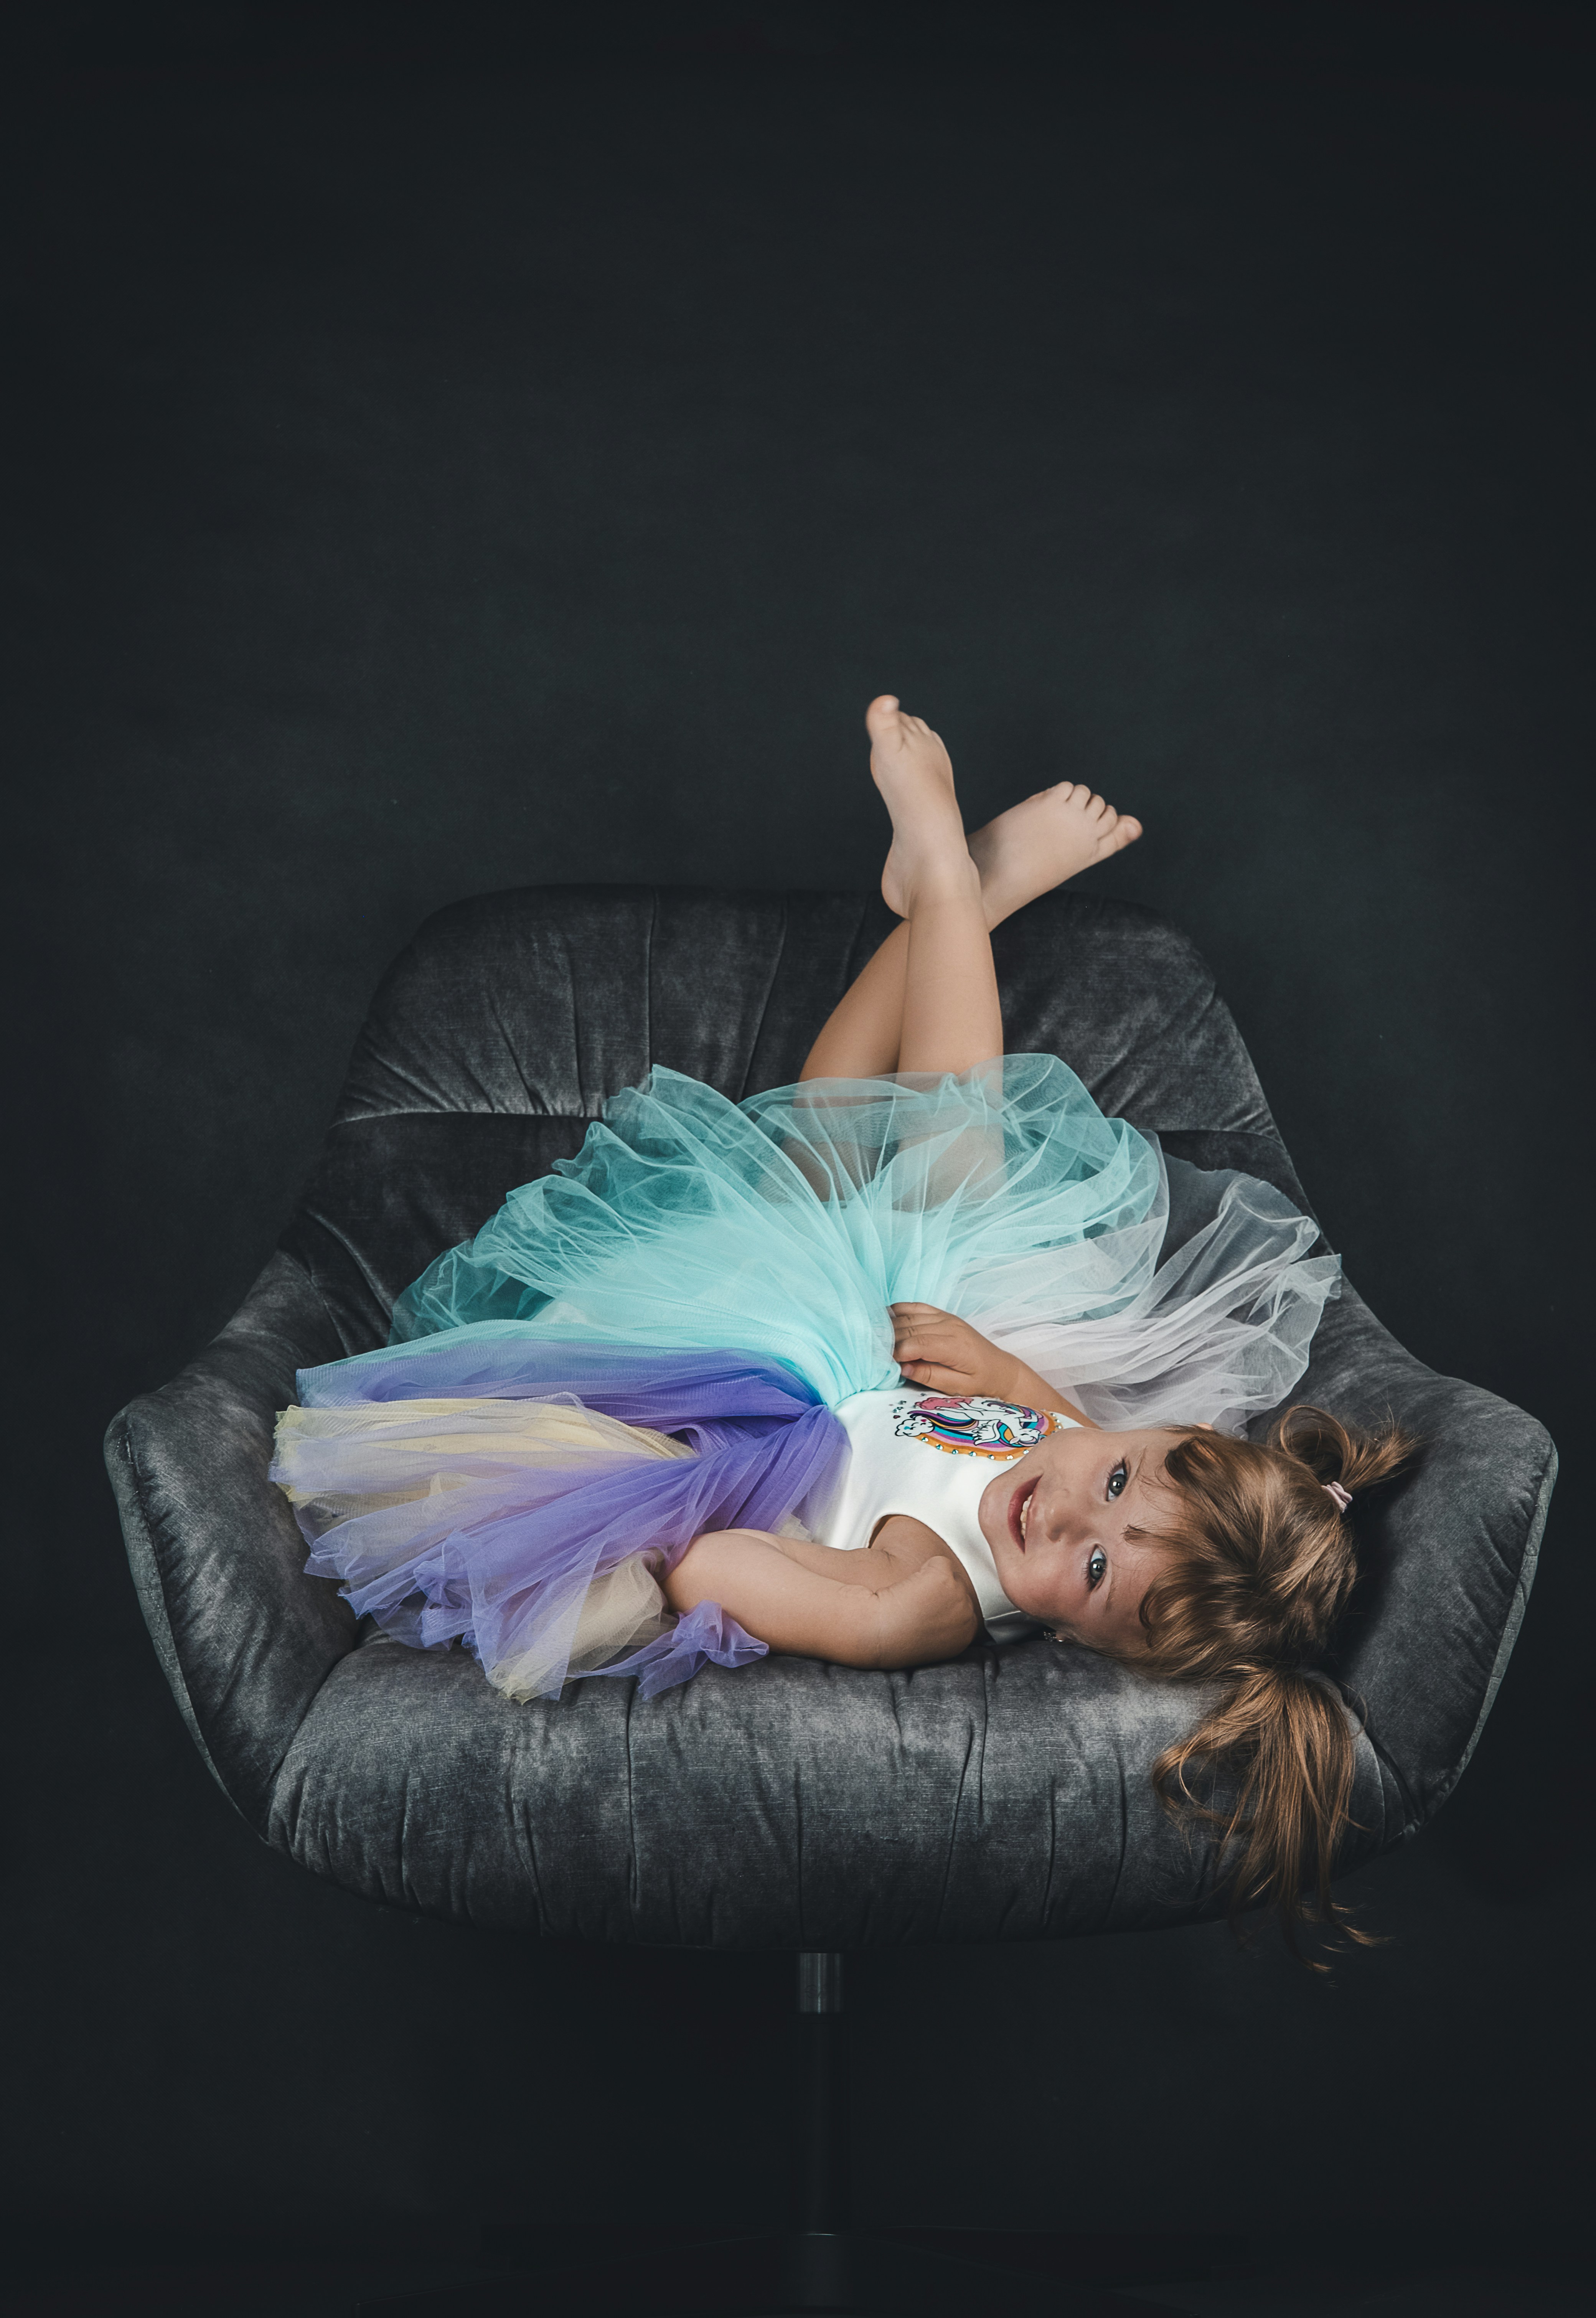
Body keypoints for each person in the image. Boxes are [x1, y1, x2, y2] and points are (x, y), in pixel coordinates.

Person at [273, 696, 1413, 1940]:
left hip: (740, 1402)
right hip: (860, 1328)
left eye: (1094, 1564)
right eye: (1122, 1474)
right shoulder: (1073, 1458)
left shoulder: (926, 1594)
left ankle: (954, 890)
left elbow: (751, 1574)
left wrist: (700, 1537)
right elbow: (1065, 1430)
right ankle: (949, 894)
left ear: (1102, 1644)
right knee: (917, 1146)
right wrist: (1005, 1372)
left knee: (856, 1129)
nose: (1069, 1499)